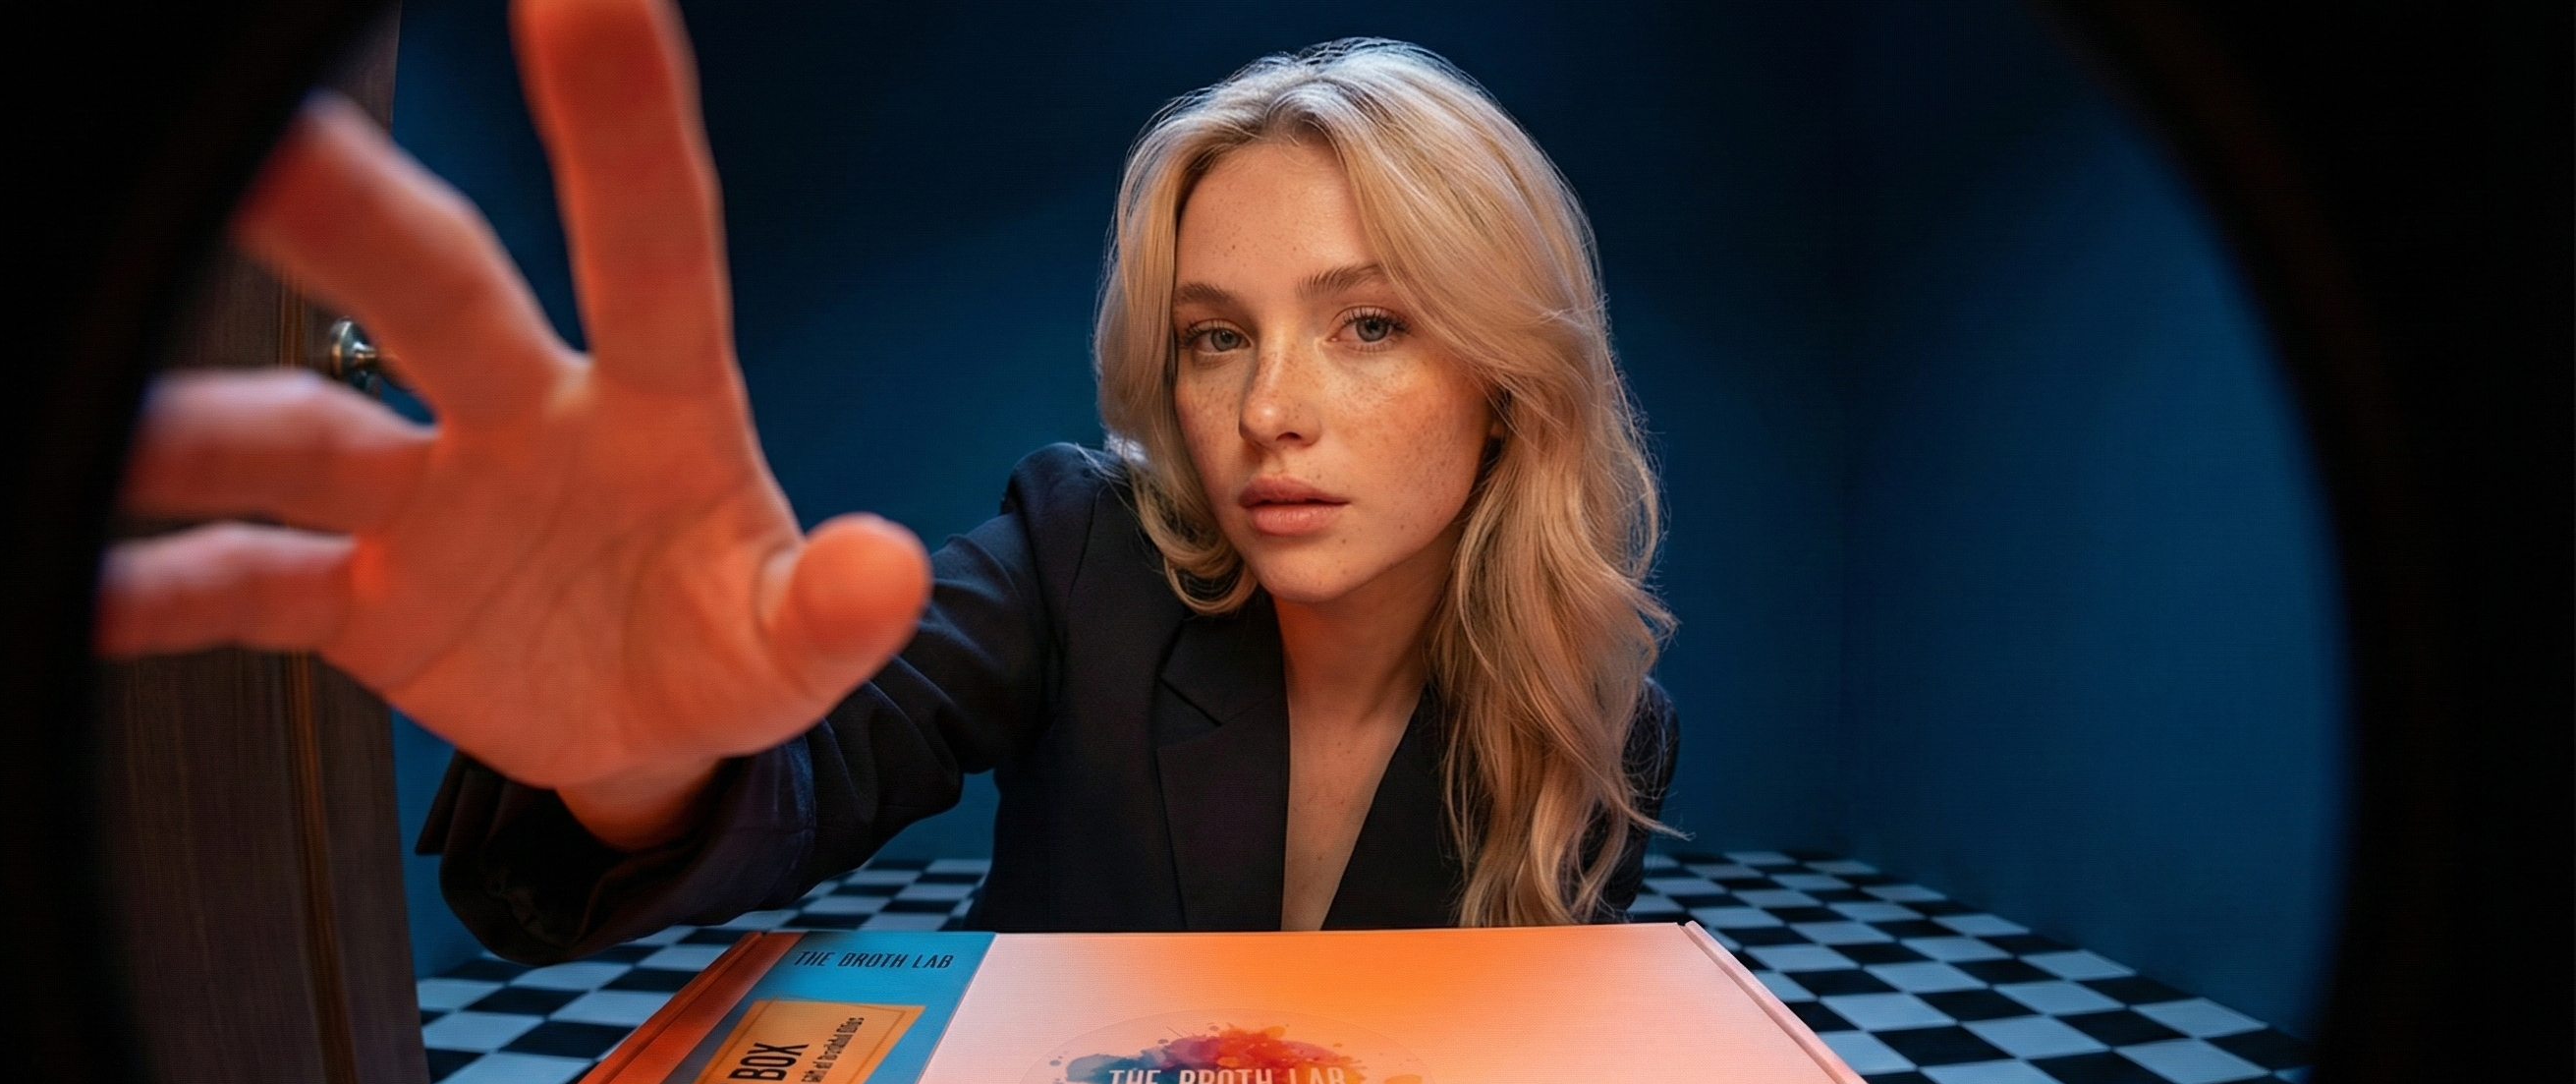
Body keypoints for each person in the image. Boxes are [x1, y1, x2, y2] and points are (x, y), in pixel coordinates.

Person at [97, 0, 1676, 960]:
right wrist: (641, 750)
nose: (1269, 407)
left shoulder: (1594, 725)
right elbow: (819, 753)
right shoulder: (1081, 552)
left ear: (1505, 380)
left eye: (1370, 324)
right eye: (1214, 338)